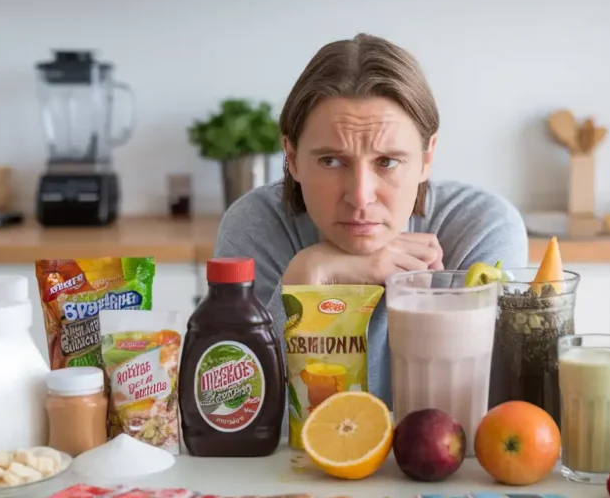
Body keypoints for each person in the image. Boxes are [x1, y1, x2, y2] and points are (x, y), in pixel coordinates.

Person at [212, 33, 528, 406]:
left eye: (387, 162)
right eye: (331, 160)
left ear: (427, 158)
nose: (361, 196)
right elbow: (233, 408)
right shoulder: (255, 227)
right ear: (292, 158)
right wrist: (305, 279)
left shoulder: (481, 228)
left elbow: (489, 412)